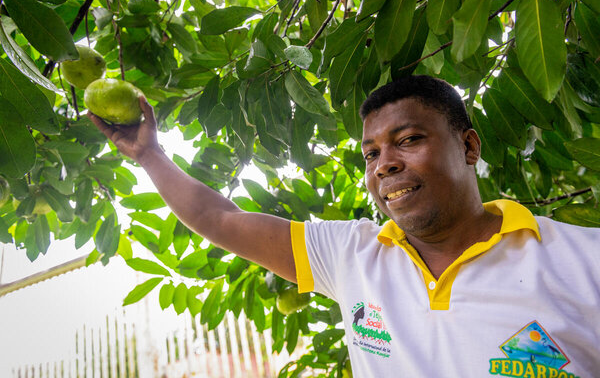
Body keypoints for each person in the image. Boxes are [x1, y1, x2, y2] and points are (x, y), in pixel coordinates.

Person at [90, 75, 599, 378]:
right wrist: (150, 155)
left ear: (468, 147)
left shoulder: (583, 259)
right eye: (371, 153)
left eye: (408, 140)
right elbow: (218, 218)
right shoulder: (352, 255)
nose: (384, 164)